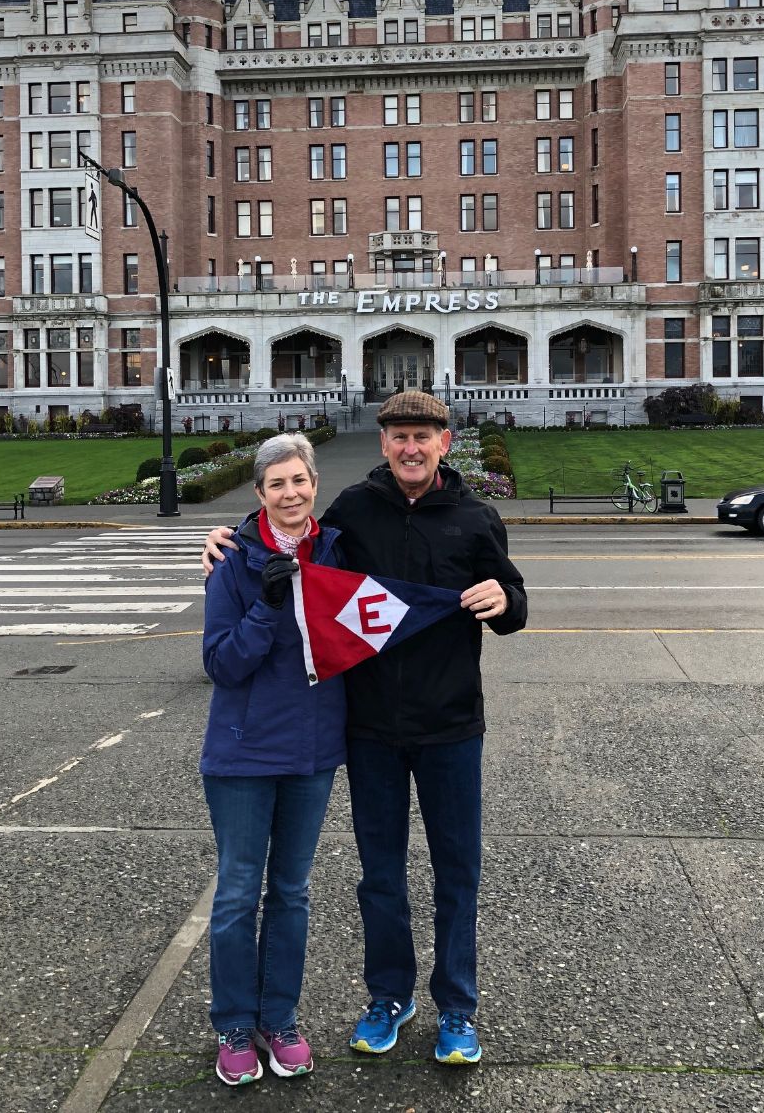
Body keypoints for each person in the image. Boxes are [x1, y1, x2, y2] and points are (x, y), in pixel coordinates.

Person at [203, 391, 527, 1065]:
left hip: (451, 724)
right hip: (371, 728)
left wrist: (504, 601)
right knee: (378, 875)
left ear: (445, 441)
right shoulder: (354, 512)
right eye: (400, 435)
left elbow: (513, 597)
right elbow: (286, 527)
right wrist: (227, 537)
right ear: (384, 443)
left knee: (456, 872)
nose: (411, 447)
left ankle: (458, 1006)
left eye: (424, 436)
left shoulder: (476, 518)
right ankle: (389, 994)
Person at [200, 433, 346, 1087]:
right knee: (236, 894)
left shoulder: (338, 550)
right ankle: (234, 1021)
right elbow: (221, 662)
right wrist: (265, 604)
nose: (291, 492)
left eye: (300, 479)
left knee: (290, 892)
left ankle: (278, 1017)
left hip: (311, 751)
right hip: (242, 752)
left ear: (315, 483)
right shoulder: (234, 557)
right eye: (277, 483)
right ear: (259, 493)